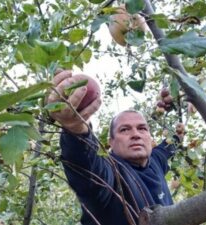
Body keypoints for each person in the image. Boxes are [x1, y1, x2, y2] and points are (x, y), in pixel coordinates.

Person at [47, 70, 183, 225]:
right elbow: (89, 171)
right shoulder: (111, 171)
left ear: (149, 137)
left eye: (142, 128)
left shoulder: (155, 162)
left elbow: (167, 148)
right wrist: (76, 129)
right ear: (111, 142)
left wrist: (178, 135)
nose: (135, 134)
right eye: (124, 130)